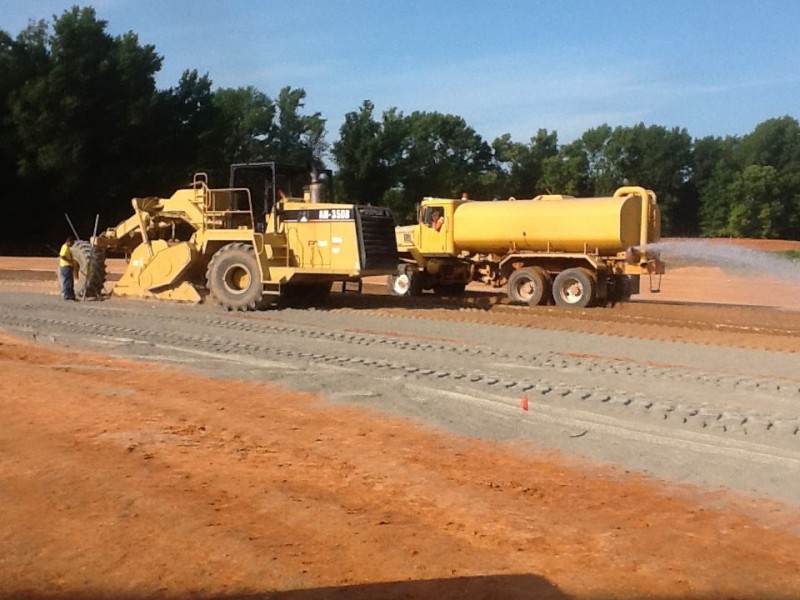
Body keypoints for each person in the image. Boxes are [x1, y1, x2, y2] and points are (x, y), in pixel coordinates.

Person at [58, 236, 77, 301]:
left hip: (68, 266)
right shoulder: (65, 247)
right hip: (65, 266)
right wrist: (69, 261)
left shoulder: (67, 247)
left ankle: (71, 295)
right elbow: (62, 256)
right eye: (71, 243)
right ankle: (67, 295)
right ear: (68, 242)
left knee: (70, 281)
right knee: (67, 281)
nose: (72, 245)